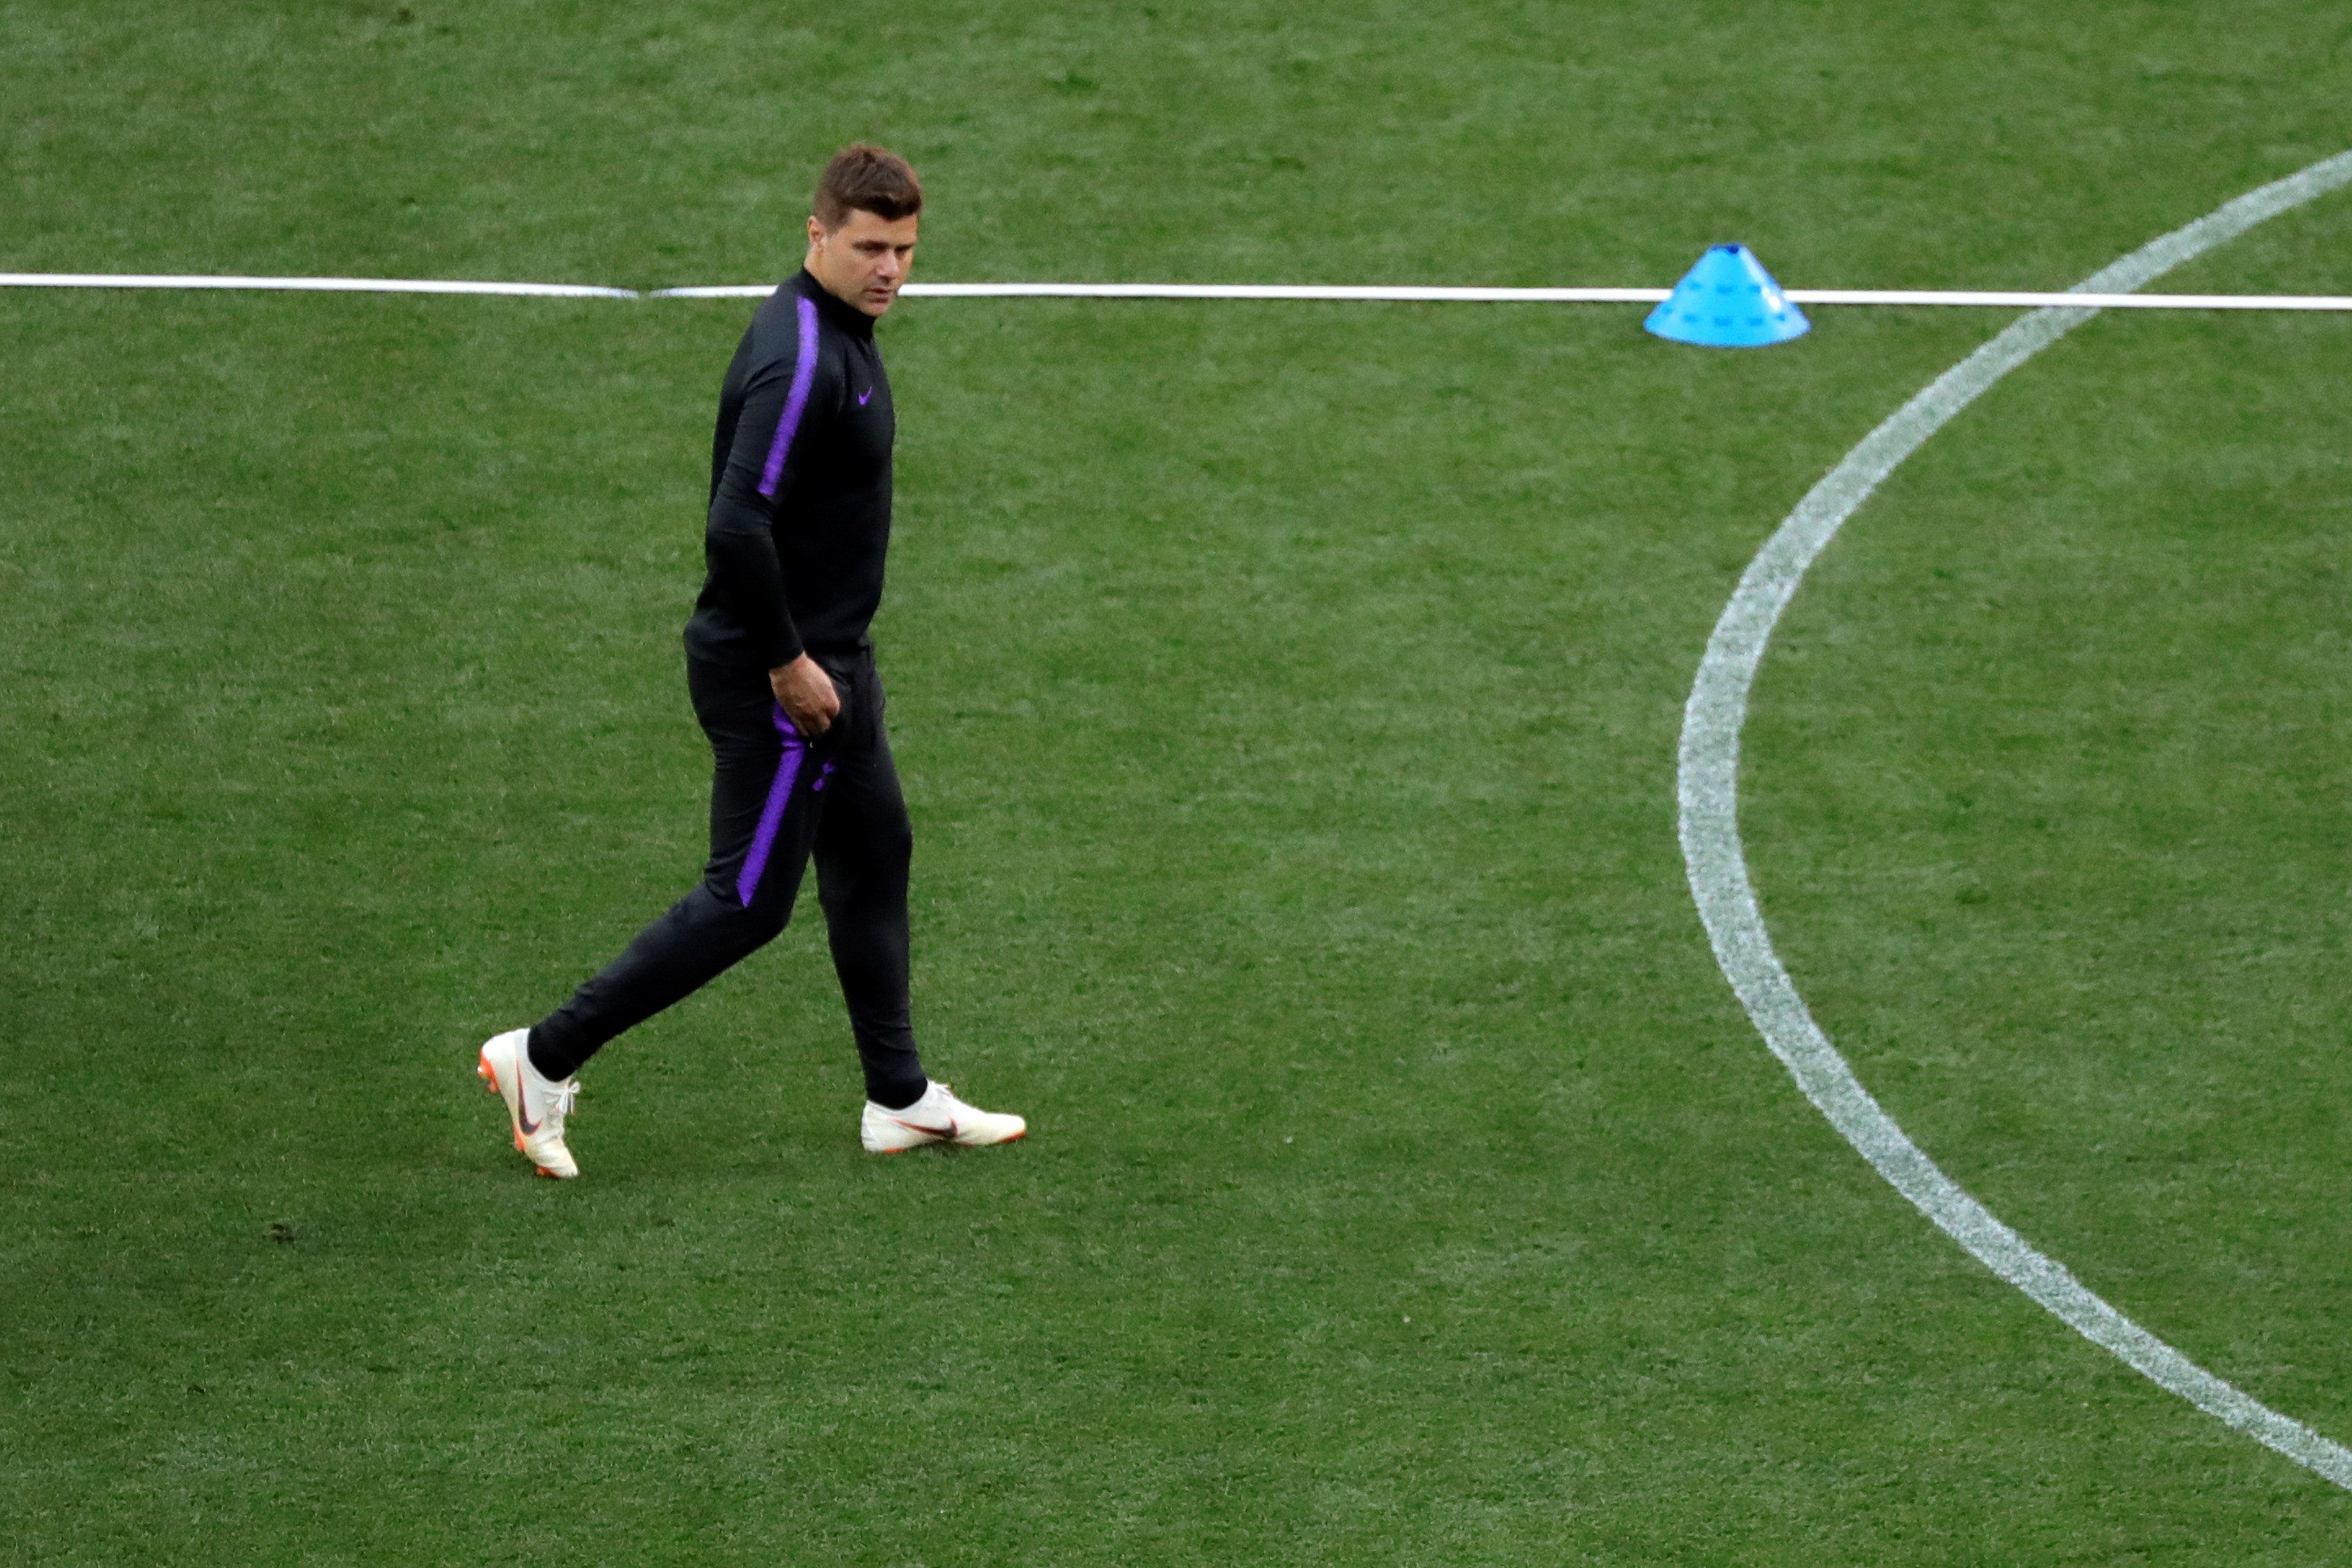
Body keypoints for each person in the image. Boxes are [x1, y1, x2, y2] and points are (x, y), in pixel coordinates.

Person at [475, 144, 1026, 1178]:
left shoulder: (848, 332)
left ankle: (898, 1098)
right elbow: (735, 527)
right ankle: (539, 1058)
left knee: (875, 850)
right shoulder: (803, 357)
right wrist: (788, 664)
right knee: (746, 904)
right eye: (869, 247)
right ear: (816, 235)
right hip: (783, 678)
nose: (891, 269)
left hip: (835, 664)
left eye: (906, 249)